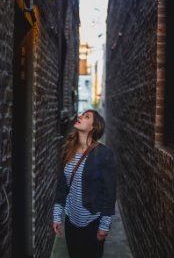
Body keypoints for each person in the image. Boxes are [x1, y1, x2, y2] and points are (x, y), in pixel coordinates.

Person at [53, 109, 117, 258]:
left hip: (92, 223)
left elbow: (110, 193)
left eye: (86, 116)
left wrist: (104, 225)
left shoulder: (103, 154)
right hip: (70, 221)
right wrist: (57, 215)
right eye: (81, 114)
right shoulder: (68, 150)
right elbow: (62, 186)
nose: (80, 117)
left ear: (93, 127)